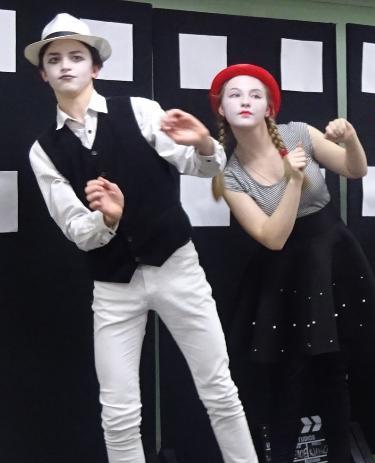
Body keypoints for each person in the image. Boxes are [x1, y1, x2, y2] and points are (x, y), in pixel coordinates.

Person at [25, 13, 257, 463]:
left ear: (96, 67)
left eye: (76, 56)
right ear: (43, 74)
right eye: (54, 59)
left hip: (177, 267)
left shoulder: (141, 110)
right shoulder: (44, 150)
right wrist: (107, 220)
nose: (65, 65)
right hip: (114, 287)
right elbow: (75, 229)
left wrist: (205, 144)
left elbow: (204, 167)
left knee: (219, 390)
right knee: (118, 414)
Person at [209, 64, 375, 463]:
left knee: (334, 371)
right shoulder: (230, 175)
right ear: (221, 109)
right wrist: (293, 180)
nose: (245, 101)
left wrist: (352, 138)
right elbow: (272, 237)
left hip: (330, 258)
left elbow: (355, 169)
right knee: (287, 379)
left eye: (255, 95)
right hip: (283, 271)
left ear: (269, 107)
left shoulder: (299, 133)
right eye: (234, 95)